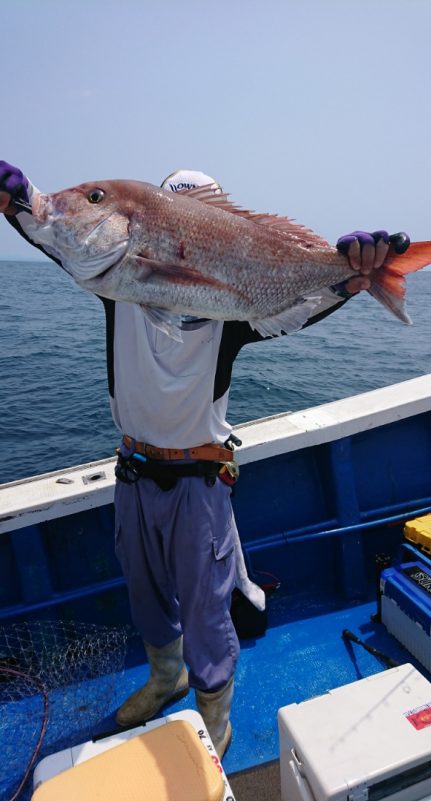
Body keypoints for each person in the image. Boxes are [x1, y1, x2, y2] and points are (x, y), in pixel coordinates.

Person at [0, 160, 409, 759]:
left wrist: (355, 274)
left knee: (206, 609)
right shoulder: (115, 287)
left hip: (199, 480)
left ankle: (215, 728)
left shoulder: (236, 318)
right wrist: (16, 200)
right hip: (133, 473)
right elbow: (53, 229)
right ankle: (167, 679)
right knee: (144, 592)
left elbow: (300, 305)